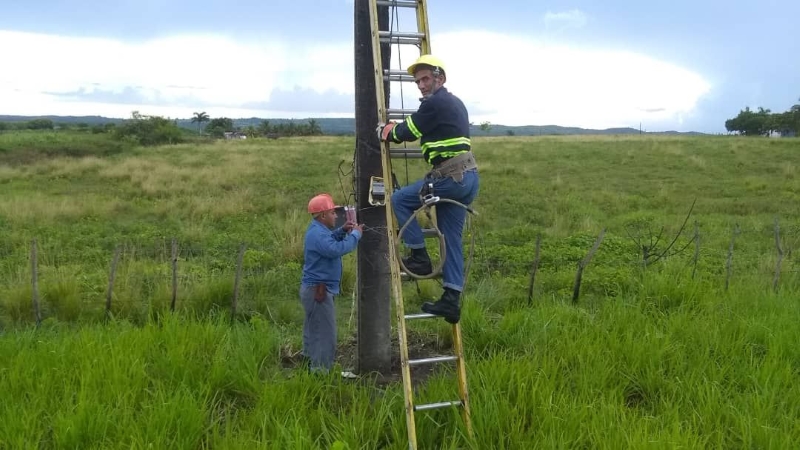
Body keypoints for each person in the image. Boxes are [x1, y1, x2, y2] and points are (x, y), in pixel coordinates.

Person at [376, 54, 479, 324]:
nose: (421, 85)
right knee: (451, 238)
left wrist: (385, 131)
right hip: (466, 178)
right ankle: (451, 300)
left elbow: (405, 132)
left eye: (425, 79)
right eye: (417, 81)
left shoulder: (435, 103)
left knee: (399, 199)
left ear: (439, 78)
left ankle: (419, 257)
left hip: (450, 178)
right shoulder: (455, 102)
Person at [300, 193, 363, 373]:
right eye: (333, 213)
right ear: (323, 216)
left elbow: (329, 241)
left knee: (314, 329)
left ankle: (309, 364)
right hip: (319, 291)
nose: (336, 216)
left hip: (315, 289)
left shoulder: (318, 230)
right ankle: (320, 373)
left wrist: (342, 231)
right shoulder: (318, 235)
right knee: (325, 334)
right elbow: (335, 249)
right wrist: (355, 235)